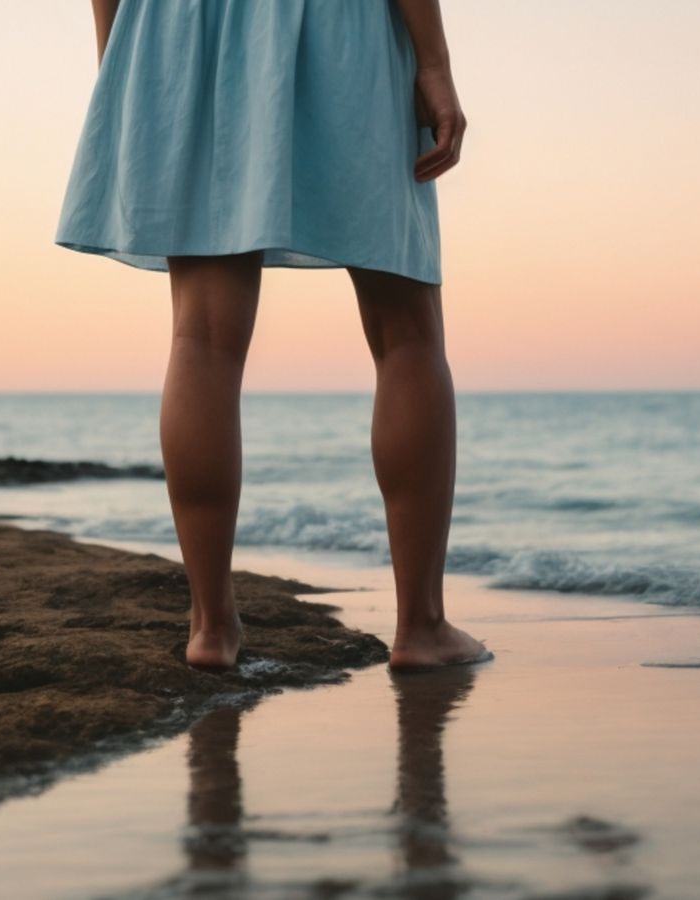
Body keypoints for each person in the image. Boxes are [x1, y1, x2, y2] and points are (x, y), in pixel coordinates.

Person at [55, 0, 491, 673]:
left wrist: (122, 57)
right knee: (407, 334)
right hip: (343, 27)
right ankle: (421, 626)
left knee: (201, 337)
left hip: (177, 27)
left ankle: (210, 626)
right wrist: (434, 63)